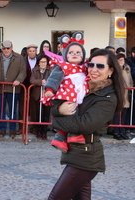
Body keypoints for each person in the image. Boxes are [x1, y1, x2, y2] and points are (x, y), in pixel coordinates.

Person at [48, 49, 125, 200]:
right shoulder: (83, 87)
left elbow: (83, 125)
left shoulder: (108, 97)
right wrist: (59, 108)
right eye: (91, 64)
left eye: (100, 66)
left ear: (110, 71)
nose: (94, 69)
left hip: (86, 157)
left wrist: (56, 120)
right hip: (76, 153)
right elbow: (59, 104)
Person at [41, 32, 89, 153]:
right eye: (71, 52)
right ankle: (74, 135)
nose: (74, 54)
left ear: (83, 56)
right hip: (67, 94)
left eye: (78, 53)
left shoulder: (85, 67)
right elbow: (54, 78)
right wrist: (50, 89)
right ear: (65, 55)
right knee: (73, 113)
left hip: (78, 95)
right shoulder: (62, 65)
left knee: (76, 112)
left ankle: (59, 139)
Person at [0, 40, 26, 138]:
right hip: (1, 88)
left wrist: (18, 80)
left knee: (13, 110)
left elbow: (23, 71)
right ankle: (2, 129)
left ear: (12, 48)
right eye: (4, 48)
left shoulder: (19, 58)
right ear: (1, 48)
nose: (6, 50)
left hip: (13, 88)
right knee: (1, 110)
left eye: (8, 48)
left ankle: (12, 129)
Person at [16, 44, 38, 135]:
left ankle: (34, 127)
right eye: (30, 51)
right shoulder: (23, 60)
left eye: (33, 51)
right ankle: (21, 127)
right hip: (24, 87)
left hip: (35, 88)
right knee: (22, 107)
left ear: (36, 51)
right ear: (27, 52)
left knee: (34, 108)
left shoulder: (39, 60)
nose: (32, 52)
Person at [30, 55, 51, 139]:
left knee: (46, 114)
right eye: (42, 62)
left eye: (45, 62)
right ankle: (38, 131)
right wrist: (40, 82)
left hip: (47, 95)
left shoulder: (50, 70)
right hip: (37, 95)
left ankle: (44, 131)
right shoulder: (35, 70)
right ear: (38, 63)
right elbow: (32, 80)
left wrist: (47, 82)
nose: (43, 64)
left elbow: (53, 79)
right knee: (39, 114)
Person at [113, 53, 133, 140]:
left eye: (122, 60)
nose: (120, 62)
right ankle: (116, 131)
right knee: (117, 113)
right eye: (119, 60)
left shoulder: (127, 68)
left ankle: (122, 131)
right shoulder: (115, 70)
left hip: (126, 93)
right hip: (119, 93)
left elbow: (129, 79)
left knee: (124, 113)